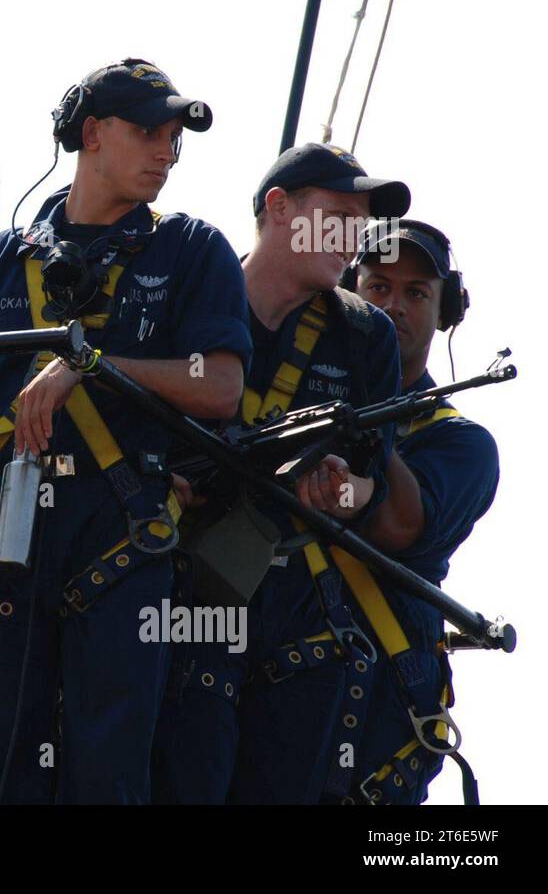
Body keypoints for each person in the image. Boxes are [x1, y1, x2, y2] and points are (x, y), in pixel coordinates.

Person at [0, 59, 251, 804]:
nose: (165, 150)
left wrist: (92, 367)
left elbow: (221, 386)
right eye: (147, 132)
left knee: (110, 775)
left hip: (123, 536)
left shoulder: (193, 248)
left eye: (173, 137)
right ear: (91, 134)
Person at [152, 142, 409, 805]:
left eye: (361, 224)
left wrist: (336, 492)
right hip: (173, 601)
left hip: (296, 616)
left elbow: (368, 487)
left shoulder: (366, 336)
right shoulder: (186, 301)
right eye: (338, 214)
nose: (352, 238)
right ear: (277, 207)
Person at [348, 219, 498, 805]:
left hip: (374, 727)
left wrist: (370, 400)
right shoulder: (290, 398)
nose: (394, 306)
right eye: (378, 287)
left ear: (445, 311)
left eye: (416, 293)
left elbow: (401, 528)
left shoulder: (462, 445)